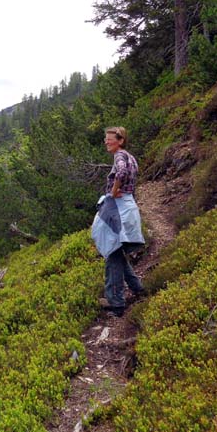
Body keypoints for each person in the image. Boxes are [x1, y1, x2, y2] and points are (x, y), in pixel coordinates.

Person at [93, 126, 145, 317]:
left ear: (120, 140)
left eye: (110, 139)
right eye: (105, 139)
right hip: (126, 207)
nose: (106, 142)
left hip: (119, 209)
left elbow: (121, 173)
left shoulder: (120, 157)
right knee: (117, 253)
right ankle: (138, 288)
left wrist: (114, 189)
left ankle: (116, 304)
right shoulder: (130, 157)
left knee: (112, 252)